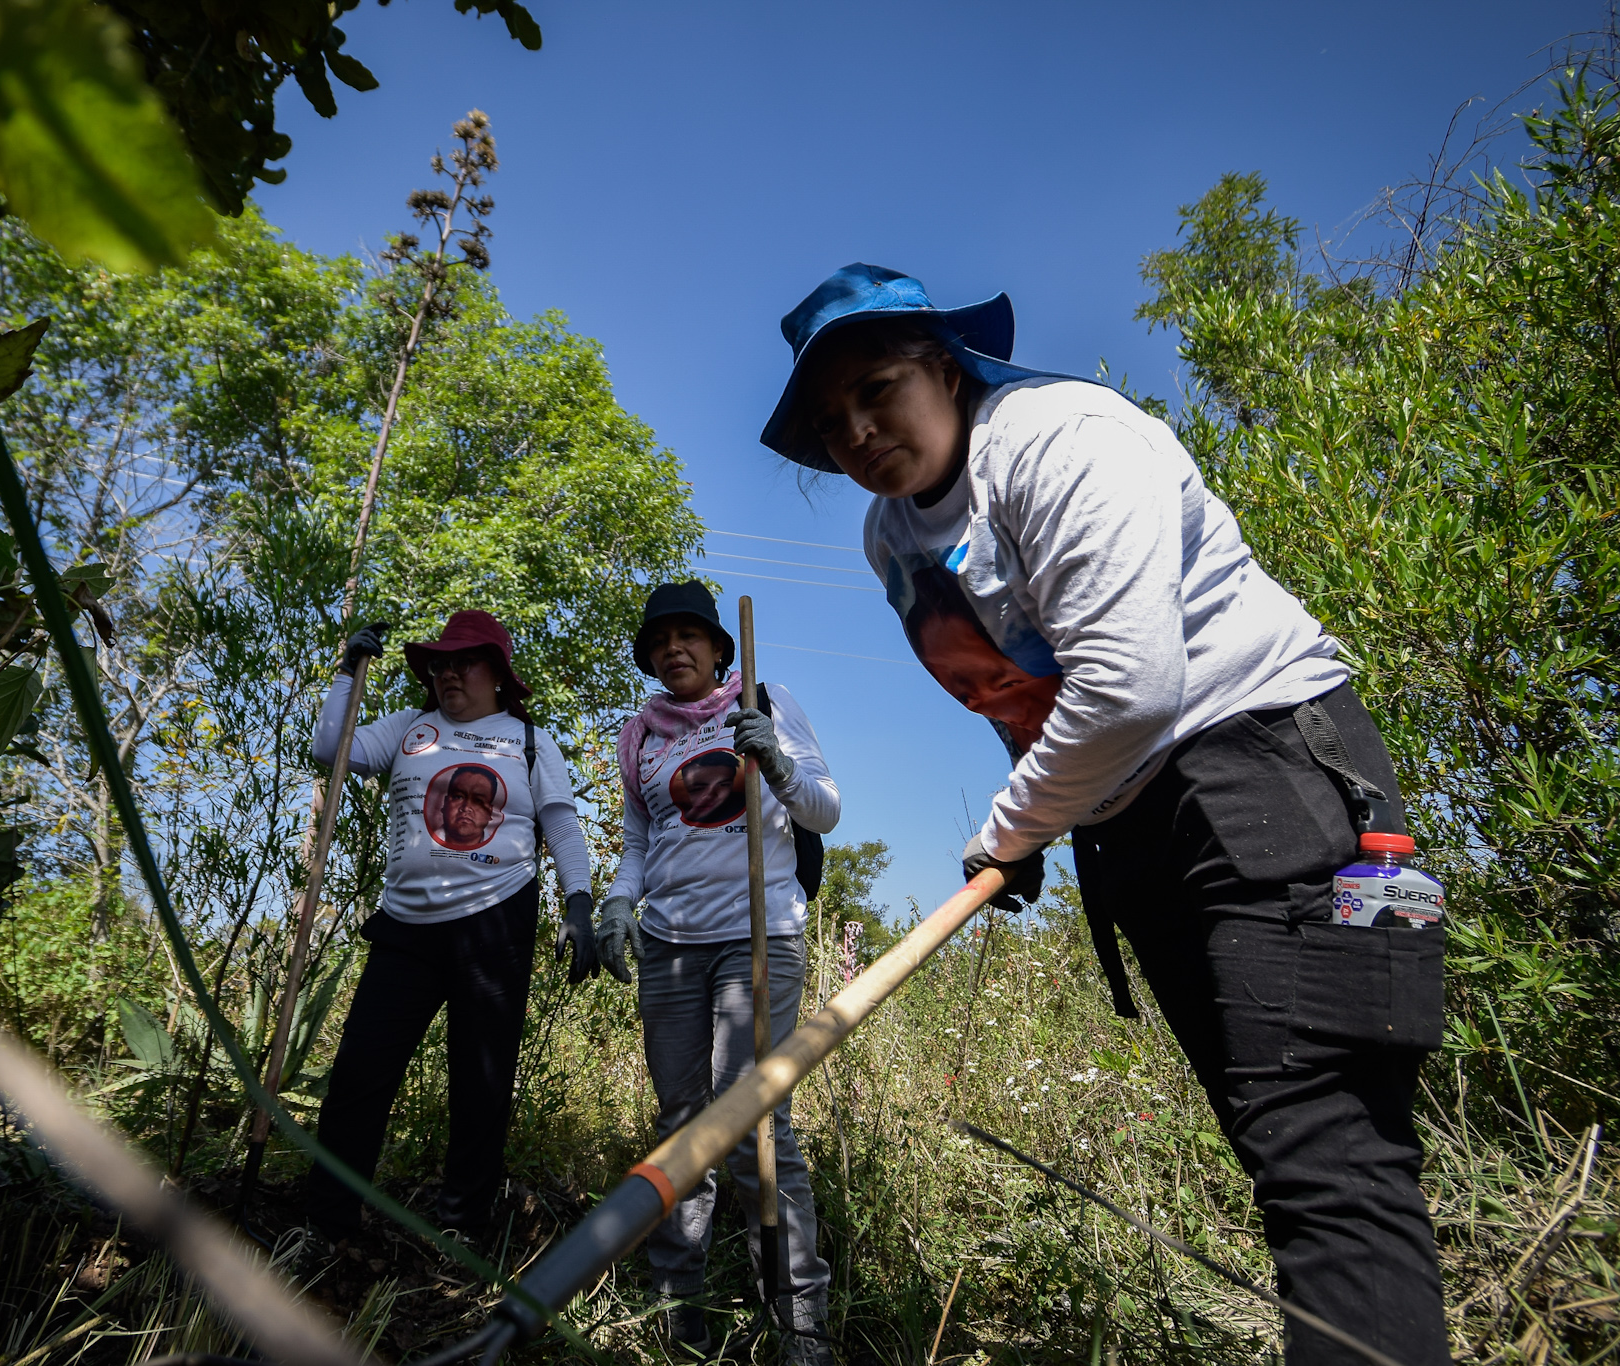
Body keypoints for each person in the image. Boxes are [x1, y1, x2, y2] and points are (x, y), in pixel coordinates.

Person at [759, 263, 1448, 1366]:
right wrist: (1036, 823)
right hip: (1132, 824)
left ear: (944, 365)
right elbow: (1008, 692)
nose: (857, 431)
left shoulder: (1060, 435)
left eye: (876, 388)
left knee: (1332, 1157)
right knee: (1279, 1153)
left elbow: (1128, 686)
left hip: (1292, 790)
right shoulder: (889, 539)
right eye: (829, 421)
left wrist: (1009, 826)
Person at [594, 580, 840, 1365]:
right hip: (668, 942)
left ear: (718, 647)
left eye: (688, 636)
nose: (675, 649)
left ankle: (802, 1319)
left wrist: (773, 758)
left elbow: (825, 809)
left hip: (757, 936)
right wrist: (616, 905)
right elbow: (638, 841)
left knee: (755, 1123)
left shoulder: (765, 699)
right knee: (681, 1124)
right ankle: (682, 1307)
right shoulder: (641, 736)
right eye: (660, 640)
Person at [304, 609, 600, 1242]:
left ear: (497, 673)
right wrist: (347, 671)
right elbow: (331, 750)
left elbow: (562, 825)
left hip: (496, 925)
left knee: (481, 1083)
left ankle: (464, 1226)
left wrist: (579, 903)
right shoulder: (411, 728)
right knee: (359, 1074)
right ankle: (329, 1224)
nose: (447, 673)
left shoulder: (527, 740)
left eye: (462, 661)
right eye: (439, 663)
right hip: (406, 929)